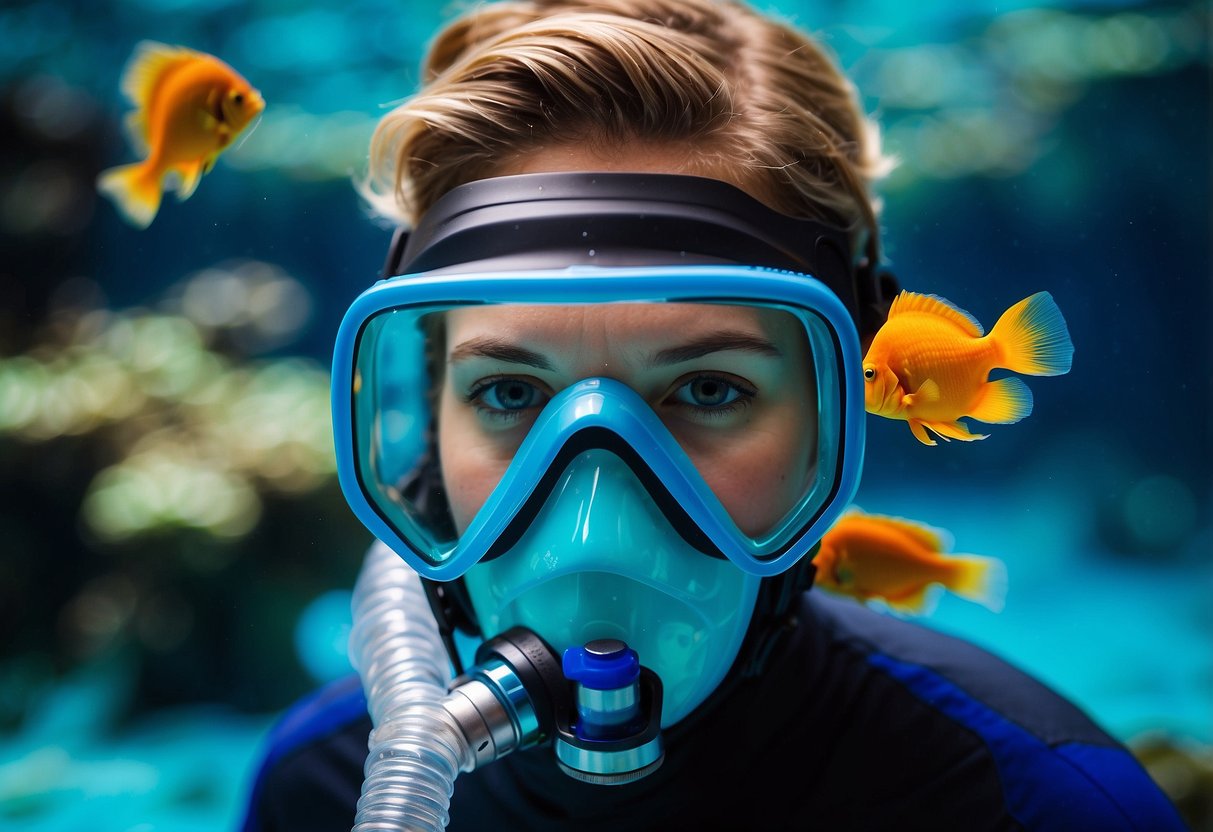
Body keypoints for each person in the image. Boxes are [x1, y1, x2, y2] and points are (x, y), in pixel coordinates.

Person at [242, 0, 1184, 829]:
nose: (591, 523)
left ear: (832, 410)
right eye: (511, 393)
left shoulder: (1040, 808)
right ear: (431, 414)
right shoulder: (317, 791)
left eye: (707, 389)